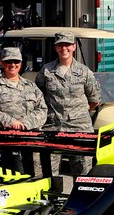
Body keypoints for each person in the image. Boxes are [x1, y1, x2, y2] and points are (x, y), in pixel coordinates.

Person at [35, 30, 100, 177]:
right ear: (56, 47)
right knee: (48, 172)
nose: (64, 48)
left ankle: (81, 200)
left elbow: (94, 100)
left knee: (83, 172)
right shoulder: (46, 70)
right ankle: (53, 199)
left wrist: (78, 114)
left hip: (79, 128)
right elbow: (38, 96)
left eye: (68, 45)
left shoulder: (84, 72)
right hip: (53, 127)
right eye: (60, 45)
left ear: (74, 46)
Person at [0, 47, 48, 173]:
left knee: (33, 180)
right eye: (8, 61)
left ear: (21, 63)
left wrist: (25, 123)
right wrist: (10, 122)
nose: (12, 65)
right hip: (5, 144)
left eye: (16, 62)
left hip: (30, 142)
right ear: (3, 63)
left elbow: (42, 110)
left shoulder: (31, 86)